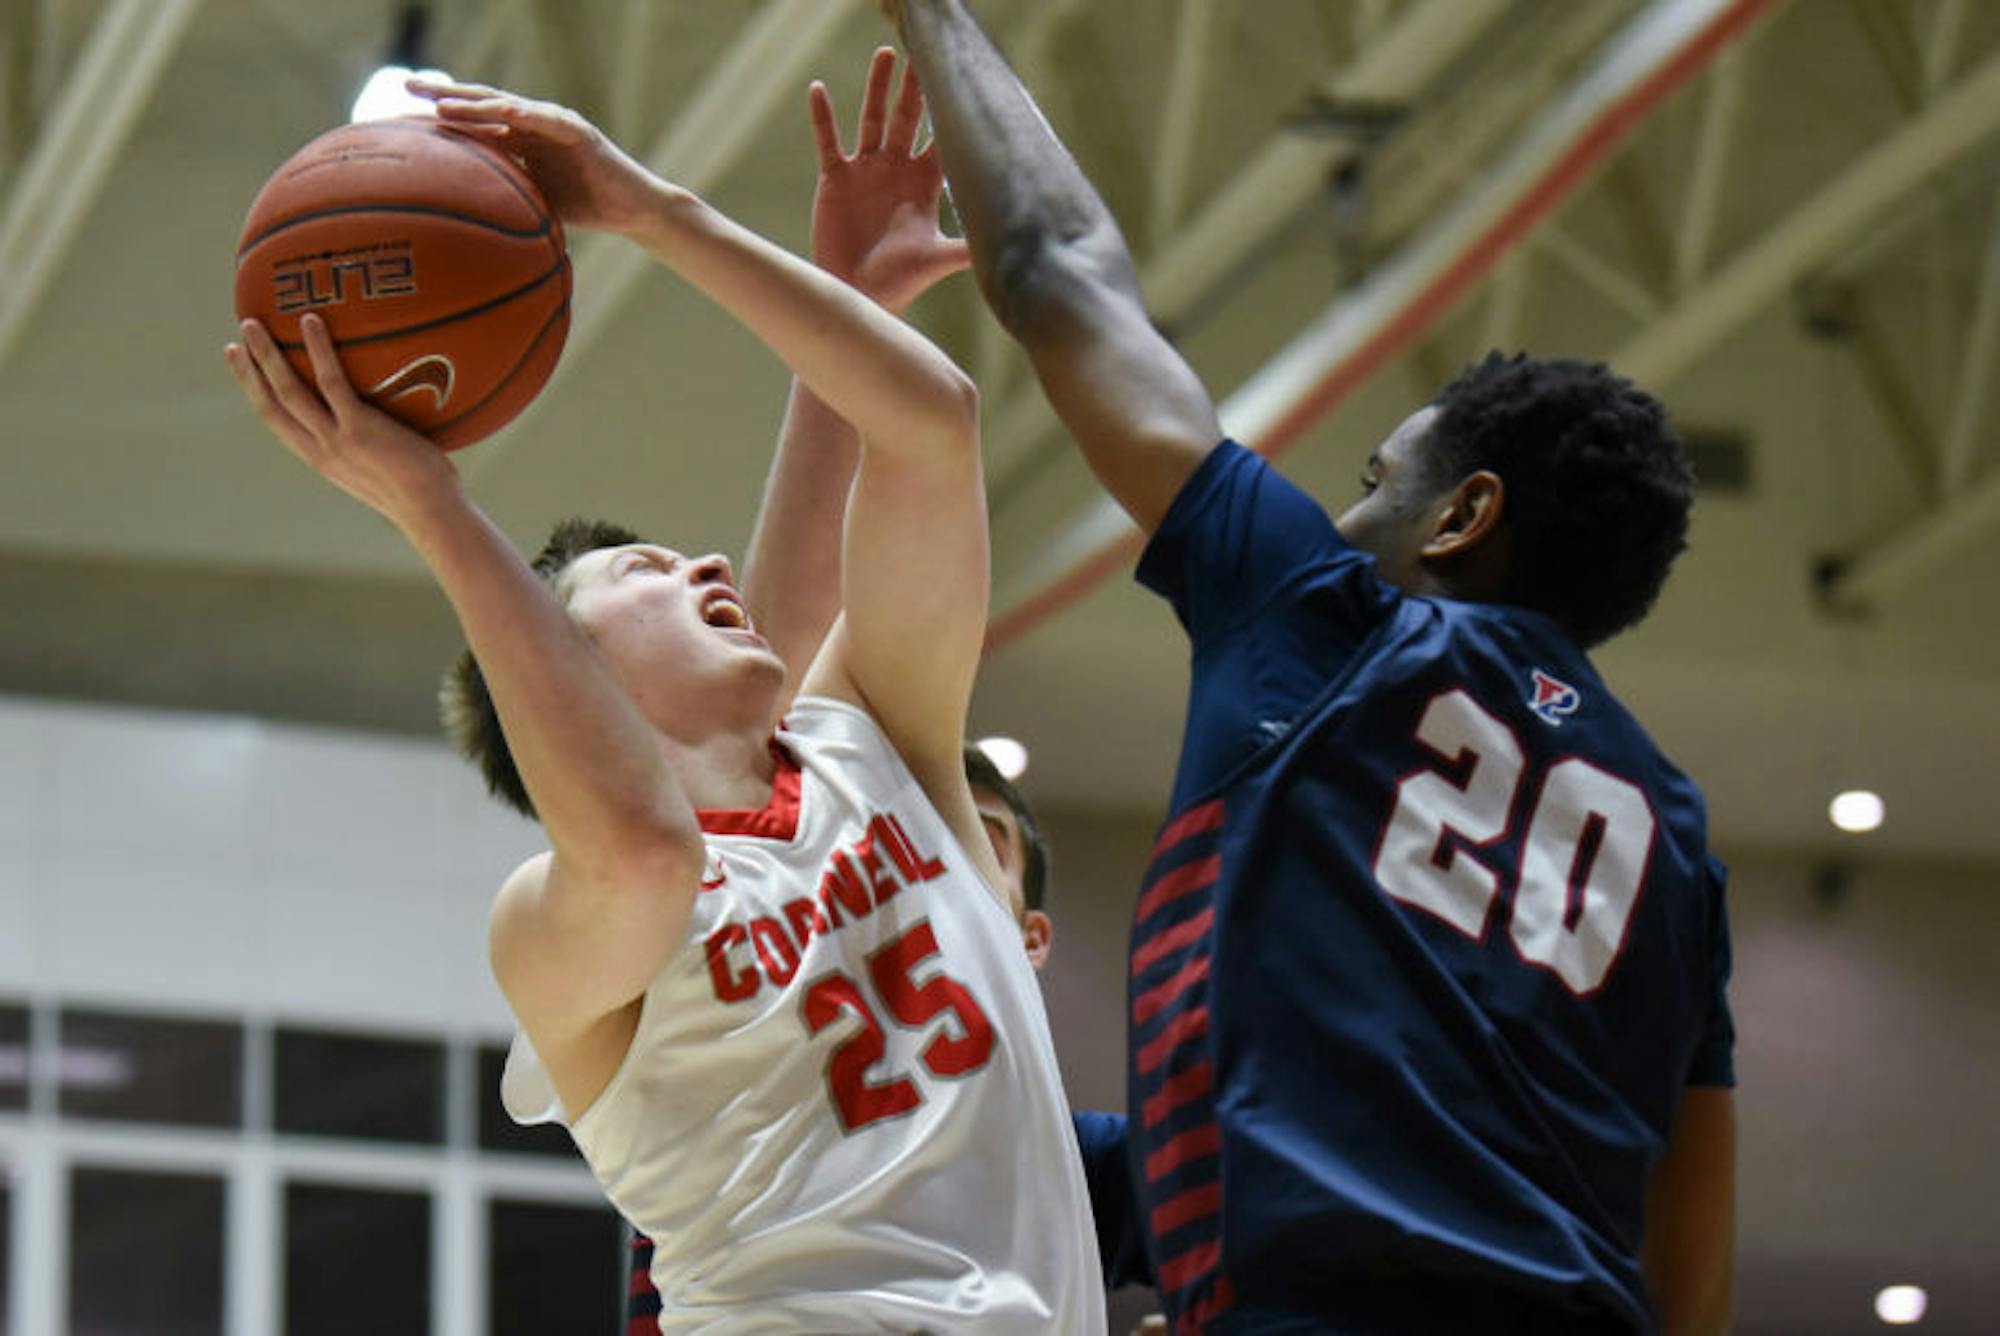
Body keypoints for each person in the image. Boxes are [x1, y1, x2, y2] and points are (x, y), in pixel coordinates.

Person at [880, 3, 1737, 1332]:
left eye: (1377, 481)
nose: (1342, 519)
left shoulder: (1338, 628)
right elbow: (1691, 1272)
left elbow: (1054, 268)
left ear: (1462, 518)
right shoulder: (1677, 842)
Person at [224, 59, 1104, 1332]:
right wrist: (430, 501)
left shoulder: (879, 751)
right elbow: (638, 841)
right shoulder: (557, 924)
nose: (702, 564)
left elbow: (931, 424)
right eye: (642, 568)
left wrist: (659, 215)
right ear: (570, 668)